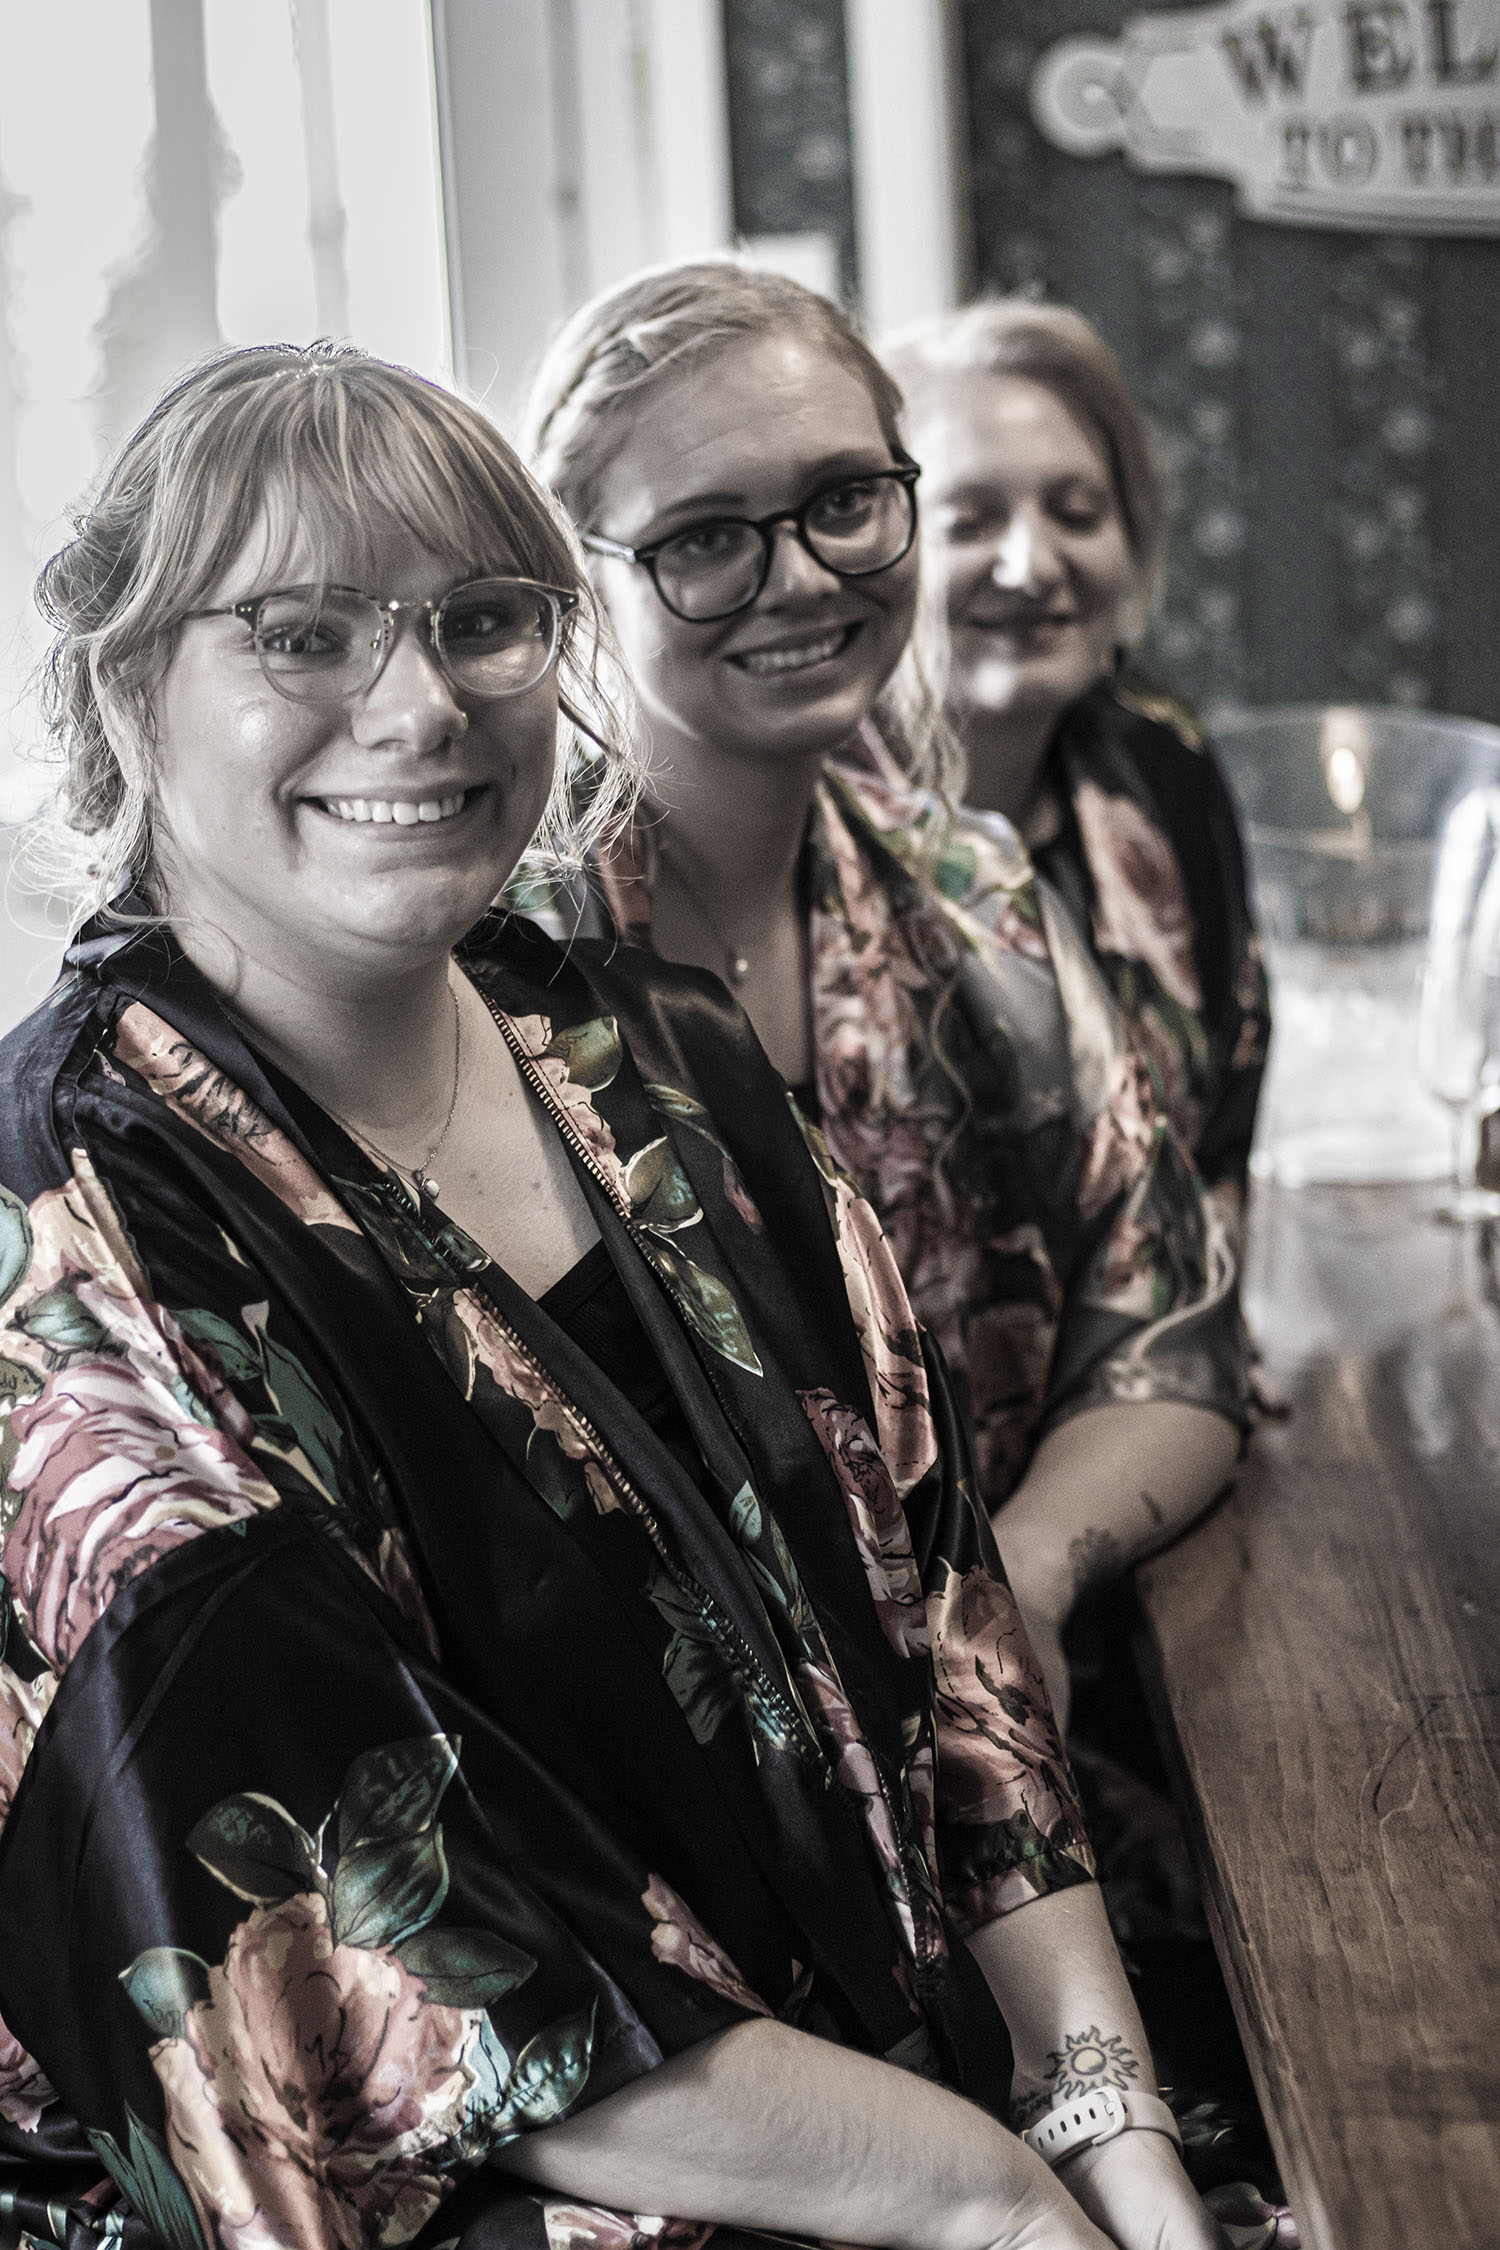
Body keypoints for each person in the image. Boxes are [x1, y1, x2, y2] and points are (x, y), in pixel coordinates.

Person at [0, 342, 1229, 2250]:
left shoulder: (648, 1051)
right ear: (127, 683)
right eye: (303, 635)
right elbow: (378, 1979)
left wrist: (1110, 2127)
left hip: (911, 2122)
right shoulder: (68, 1234)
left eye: (482, 619)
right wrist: (984, 2192)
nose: (418, 705)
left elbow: (952, 1627)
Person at [520, 265, 1250, 1736]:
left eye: (846, 500)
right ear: (578, 575)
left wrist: (1023, 1575)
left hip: (1032, 1757)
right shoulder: (500, 964)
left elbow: (1175, 1329)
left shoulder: (969, 894)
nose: (801, 578)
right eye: (707, 538)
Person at [881, 300, 1270, 1257]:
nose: (1031, 564)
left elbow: (1226, 1124)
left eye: (1077, 513)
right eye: (970, 521)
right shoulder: (808, 821)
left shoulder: (1159, 760)